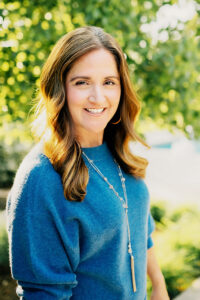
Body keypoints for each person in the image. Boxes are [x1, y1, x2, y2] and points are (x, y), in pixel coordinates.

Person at [6, 26, 169, 300]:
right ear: (60, 88)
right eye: (82, 82)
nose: (98, 97)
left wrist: (159, 286)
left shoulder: (119, 152)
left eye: (109, 81)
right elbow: (44, 294)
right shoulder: (41, 178)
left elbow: (141, 230)